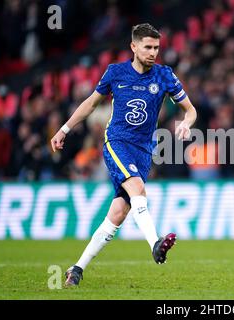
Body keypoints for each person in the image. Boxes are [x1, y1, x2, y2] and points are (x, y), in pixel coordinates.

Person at [51, 23, 197, 287]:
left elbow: (191, 110)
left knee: (118, 213)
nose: (153, 52)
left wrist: (186, 122)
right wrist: (64, 129)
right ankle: (155, 244)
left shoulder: (164, 75)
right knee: (138, 190)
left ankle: (77, 269)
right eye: (148, 47)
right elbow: (90, 103)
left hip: (143, 151)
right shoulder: (115, 73)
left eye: (156, 48)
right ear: (134, 46)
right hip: (117, 142)